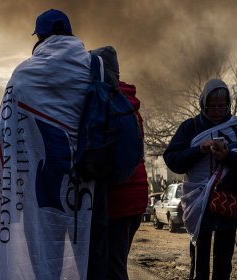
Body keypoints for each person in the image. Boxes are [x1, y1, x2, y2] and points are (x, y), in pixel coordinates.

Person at [0, 9, 94, 280]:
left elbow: (5, 133)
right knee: (87, 253)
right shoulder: (92, 66)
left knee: (44, 254)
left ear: (41, 37)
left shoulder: (24, 74)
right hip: (86, 181)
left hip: (40, 185)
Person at [163, 79, 237, 280]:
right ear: (203, 104)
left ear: (228, 104)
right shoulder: (190, 128)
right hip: (198, 201)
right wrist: (199, 150)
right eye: (212, 106)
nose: (217, 110)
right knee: (199, 260)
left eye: (222, 106)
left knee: (223, 262)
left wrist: (228, 156)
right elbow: (173, 160)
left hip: (227, 201)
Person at [90, 46, 148, 280]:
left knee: (110, 268)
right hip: (137, 194)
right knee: (117, 262)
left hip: (116, 198)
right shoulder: (129, 103)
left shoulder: (102, 100)